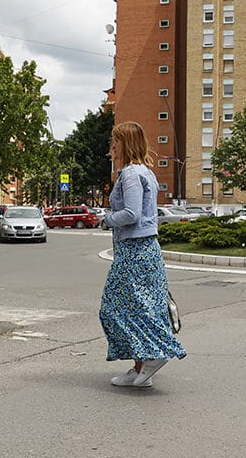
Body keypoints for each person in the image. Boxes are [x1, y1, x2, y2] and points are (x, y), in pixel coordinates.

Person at [99, 121, 186, 388]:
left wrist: (107, 219)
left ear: (126, 143)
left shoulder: (130, 174)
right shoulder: (144, 171)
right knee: (140, 306)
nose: (112, 145)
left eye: (115, 140)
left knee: (112, 308)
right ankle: (140, 369)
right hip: (144, 249)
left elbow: (132, 214)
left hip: (134, 251)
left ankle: (154, 354)